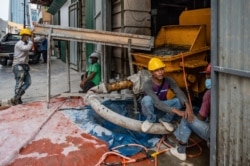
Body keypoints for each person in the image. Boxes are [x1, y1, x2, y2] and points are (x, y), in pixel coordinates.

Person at [170, 63, 211, 161]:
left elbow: (201, 117)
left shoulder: (209, 94)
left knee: (187, 117)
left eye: (208, 75)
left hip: (213, 134)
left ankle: (180, 151)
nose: (206, 77)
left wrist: (193, 116)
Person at [141, 57, 194, 132]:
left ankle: (165, 120)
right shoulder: (147, 84)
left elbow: (178, 91)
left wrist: (188, 106)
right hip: (151, 107)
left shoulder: (168, 80)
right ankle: (150, 120)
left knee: (179, 101)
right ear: (151, 72)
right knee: (147, 100)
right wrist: (176, 111)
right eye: (157, 70)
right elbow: (157, 103)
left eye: (162, 69)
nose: (161, 72)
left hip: (163, 106)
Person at [10, 28, 34, 105]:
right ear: (23, 36)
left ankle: (16, 97)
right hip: (18, 65)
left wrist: (33, 33)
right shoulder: (19, 44)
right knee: (19, 83)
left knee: (28, 82)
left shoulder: (26, 43)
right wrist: (31, 41)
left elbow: (34, 41)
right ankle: (17, 99)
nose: (28, 37)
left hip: (24, 65)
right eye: (28, 36)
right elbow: (27, 48)